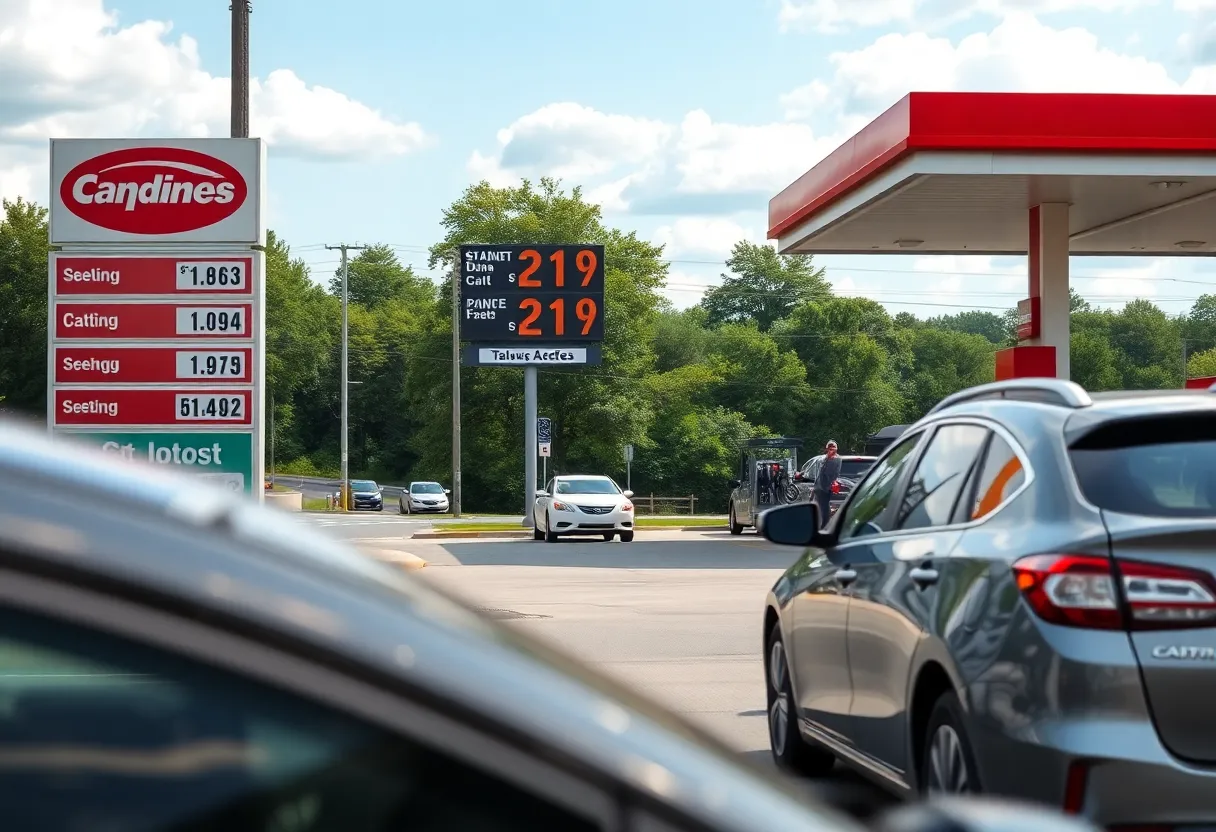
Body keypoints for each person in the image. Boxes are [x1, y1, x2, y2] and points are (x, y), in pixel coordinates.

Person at [812, 440, 842, 527]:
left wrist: (829, 458)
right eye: (830, 447)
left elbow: (830, 474)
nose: (831, 449)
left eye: (833, 448)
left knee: (824, 507)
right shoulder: (823, 458)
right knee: (819, 508)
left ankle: (825, 525)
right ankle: (821, 524)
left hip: (825, 488)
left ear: (836, 449)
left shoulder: (836, 459)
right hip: (818, 487)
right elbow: (819, 474)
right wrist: (814, 487)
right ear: (827, 448)